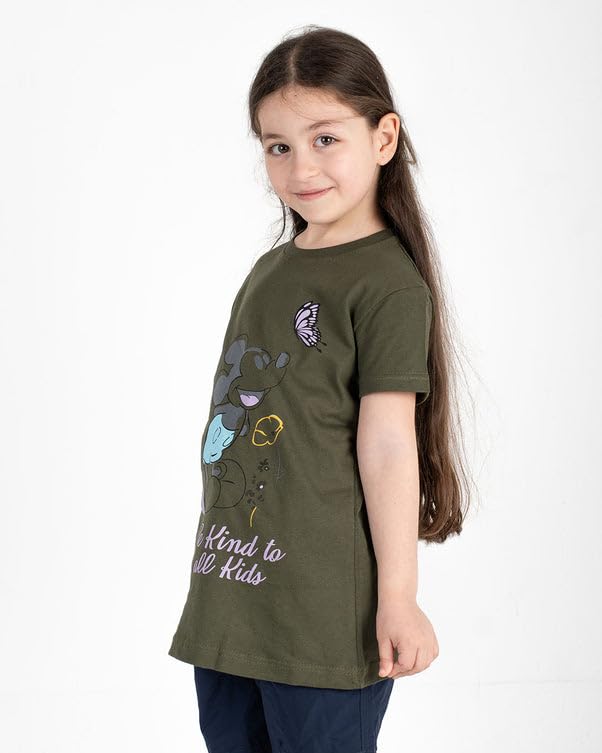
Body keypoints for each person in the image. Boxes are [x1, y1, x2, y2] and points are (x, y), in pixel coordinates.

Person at [168, 24, 473, 753]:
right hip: (231, 596)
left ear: (383, 137)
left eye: (325, 139)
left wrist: (398, 597)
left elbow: (389, 444)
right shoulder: (271, 271)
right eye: (277, 146)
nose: (301, 166)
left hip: (322, 616)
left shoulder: (387, 284)